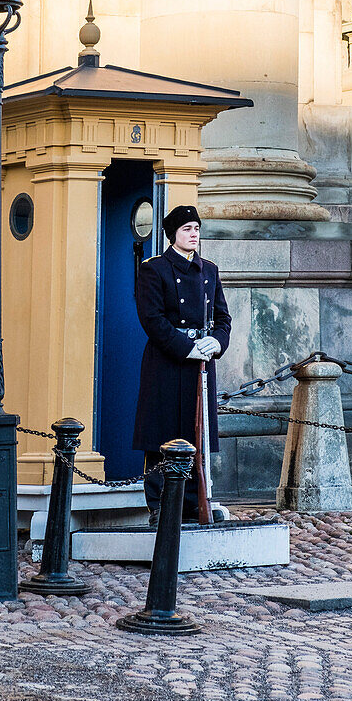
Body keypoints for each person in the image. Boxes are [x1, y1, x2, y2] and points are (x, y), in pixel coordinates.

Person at [133, 204, 231, 525]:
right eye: (188, 229)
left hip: (201, 362)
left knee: (195, 430)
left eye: (197, 229)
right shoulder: (154, 269)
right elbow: (152, 320)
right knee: (163, 431)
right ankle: (160, 504)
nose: (194, 235)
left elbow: (223, 318)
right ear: (173, 234)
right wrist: (186, 347)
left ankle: (195, 501)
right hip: (167, 361)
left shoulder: (209, 270)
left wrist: (216, 342)